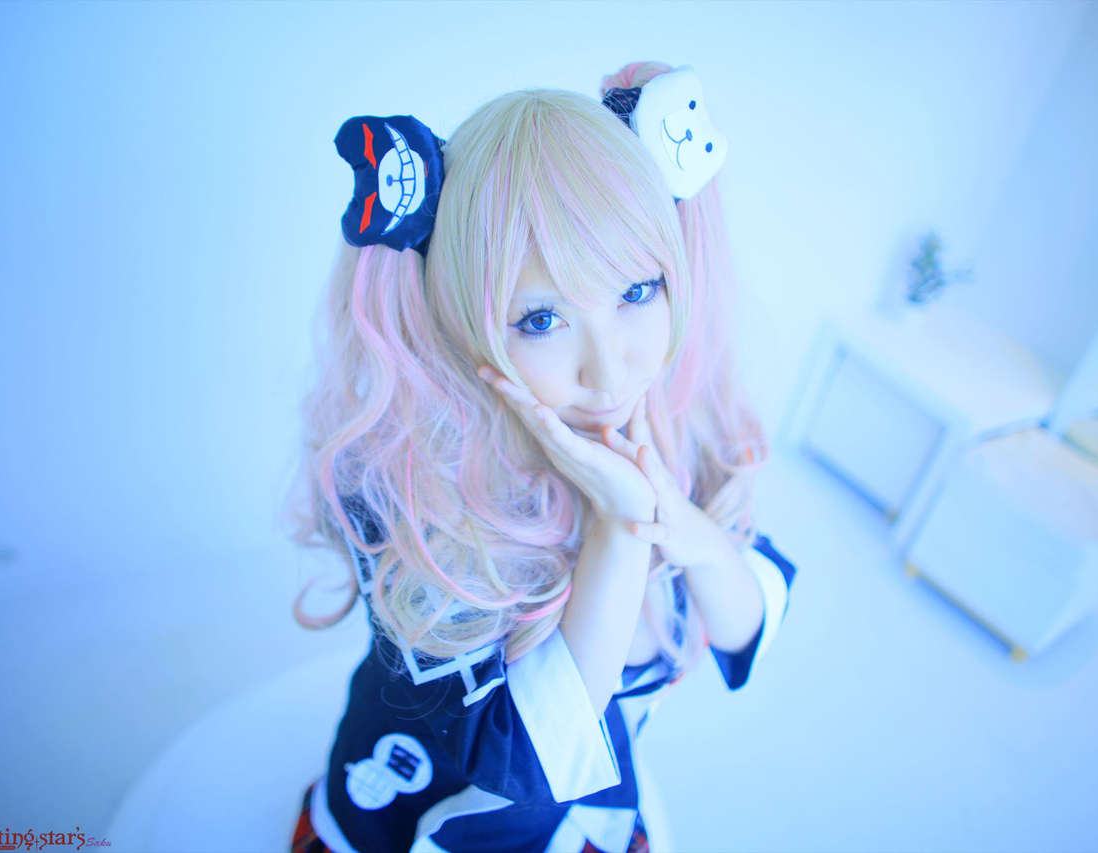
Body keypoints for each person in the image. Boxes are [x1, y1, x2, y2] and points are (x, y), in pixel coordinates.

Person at [282, 61, 798, 853]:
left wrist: (676, 520)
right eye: (542, 319)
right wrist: (620, 527)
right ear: (459, 318)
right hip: (419, 824)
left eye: (636, 292)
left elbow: (746, 625)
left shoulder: (672, 432)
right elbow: (524, 755)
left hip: (588, 815)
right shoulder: (406, 493)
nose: (610, 369)